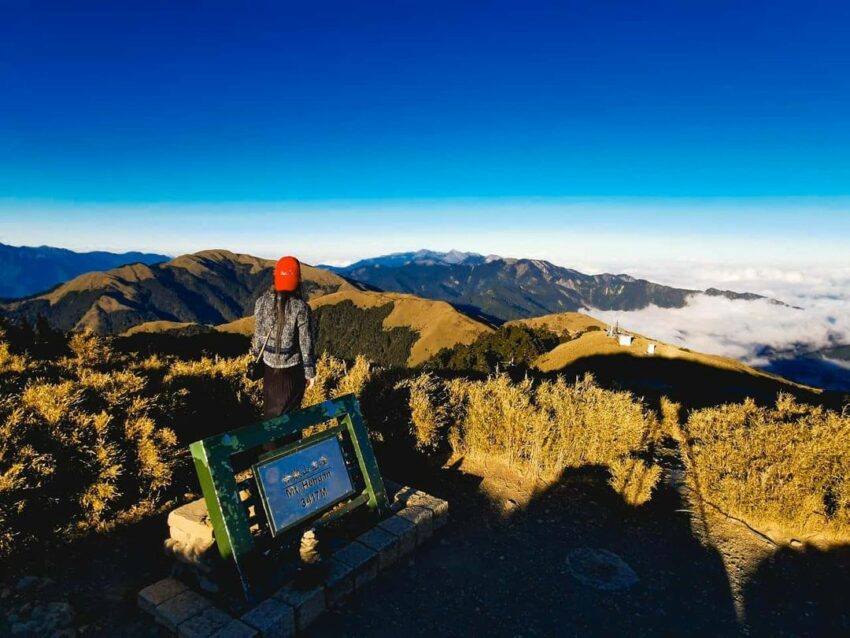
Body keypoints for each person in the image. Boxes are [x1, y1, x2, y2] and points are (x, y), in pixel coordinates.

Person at [250, 256, 316, 420]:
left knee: (270, 415)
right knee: (291, 418)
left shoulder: (262, 302)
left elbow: (258, 336)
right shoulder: (300, 307)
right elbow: (306, 344)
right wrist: (310, 373)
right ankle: (293, 445)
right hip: (292, 372)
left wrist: (255, 355)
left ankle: (271, 445)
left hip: (269, 371)